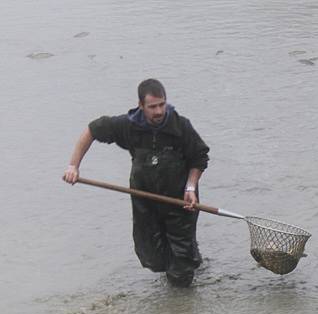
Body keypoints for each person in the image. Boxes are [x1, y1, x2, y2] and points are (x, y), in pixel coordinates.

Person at [63, 79, 210, 287]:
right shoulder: (128, 125)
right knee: (152, 255)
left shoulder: (180, 126)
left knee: (181, 265)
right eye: (153, 107)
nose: (159, 111)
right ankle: (185, 268)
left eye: (162, 104)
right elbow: (91, 131)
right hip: (144, 199)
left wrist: (191, 187)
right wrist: (73, 166)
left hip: (180, 199)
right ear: (141, 106)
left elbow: (199, 158)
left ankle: (181, 305)